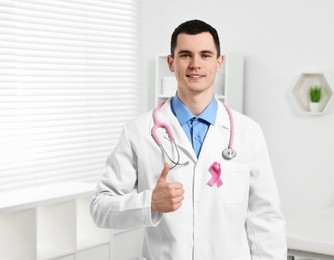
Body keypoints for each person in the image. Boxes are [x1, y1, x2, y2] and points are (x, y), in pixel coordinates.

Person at [90, 19, 287, 260]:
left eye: (205, 55)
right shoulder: (139, 132)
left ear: (219, 62)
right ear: (171, 63)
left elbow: (266, 220)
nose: (195, 64)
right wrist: (150, 202)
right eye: (185, 55)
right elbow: (100, 208)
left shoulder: (248, 132)